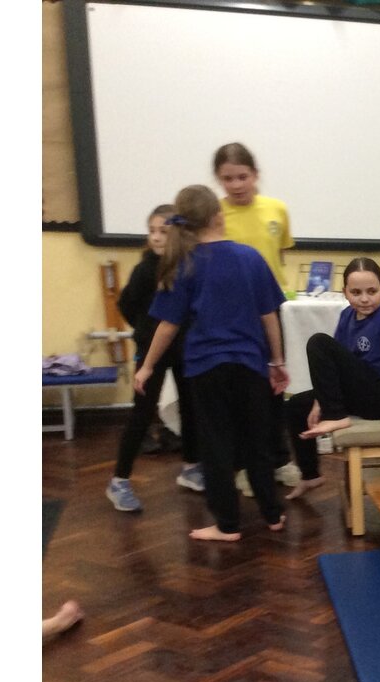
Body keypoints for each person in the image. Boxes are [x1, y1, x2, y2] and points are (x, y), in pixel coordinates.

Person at [135, 185, 291, 542]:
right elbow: (269, 316)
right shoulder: (250, 257)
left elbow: (168, 326)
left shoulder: (183, 264)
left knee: (216, 445)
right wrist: (277, 361)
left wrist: (146, 366)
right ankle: (272, 514)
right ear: (219, 217)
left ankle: (227, 525)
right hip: (250, 365)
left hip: (206, 369)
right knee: (257, 440)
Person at [284, 258, 380, 500]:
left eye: (372, 291)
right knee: (296, 406)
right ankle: (310, 474)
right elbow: (333, 366)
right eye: (356, 292)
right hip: (360, 393)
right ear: (345, 292)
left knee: (318, 342)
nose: (365, 299)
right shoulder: (347, 316)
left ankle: (337, 417)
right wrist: (319, 401)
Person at [106, 203, 204, 513]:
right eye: (151, 231)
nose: (157, 237)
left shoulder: (188, 266)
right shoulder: (145, 269)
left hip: (184, 348)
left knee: (191, 407)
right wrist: (146, 330)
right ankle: (119, 480)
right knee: (142, 411)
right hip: (152, 350)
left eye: (163, 231)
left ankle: (191, 467)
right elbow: (126, 304)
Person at [213, 142, 300, 490]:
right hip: (231, 314)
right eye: (228, 178)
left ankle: (278, 459)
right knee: (240, 392)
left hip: (270, 310)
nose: (236, 185)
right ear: (218, 180)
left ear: (255, 175)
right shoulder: (215, 215)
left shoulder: (277, 209)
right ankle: (244, 466)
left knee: (274, 384)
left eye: (242, 176)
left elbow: (278, 255)